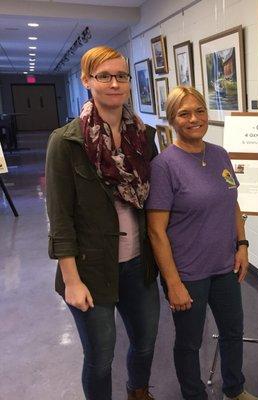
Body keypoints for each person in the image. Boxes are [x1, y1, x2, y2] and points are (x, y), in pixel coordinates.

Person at [45, 46, 160, 400]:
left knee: (144, 343)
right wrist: (72, 280)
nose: (114, 83)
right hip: (90, 268)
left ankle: (137, 390)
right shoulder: (66, 142)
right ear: (86, 80)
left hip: (138, 263)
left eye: (121, 76)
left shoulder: (144, 136)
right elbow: (60, 219)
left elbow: (156, 202)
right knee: (100, 357)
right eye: (104, 76)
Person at [146, 86, 258, 400]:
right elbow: (156, 231)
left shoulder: (220, 153)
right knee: (189, 343)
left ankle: (235, 389)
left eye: (200, 111)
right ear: (172, 119)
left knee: (233, 332)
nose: (194, 119)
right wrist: (173, 283)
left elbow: (233, 203)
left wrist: (243, 245)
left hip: (225, 266)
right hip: (188, 273)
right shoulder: (165, 165)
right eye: (184, 113)